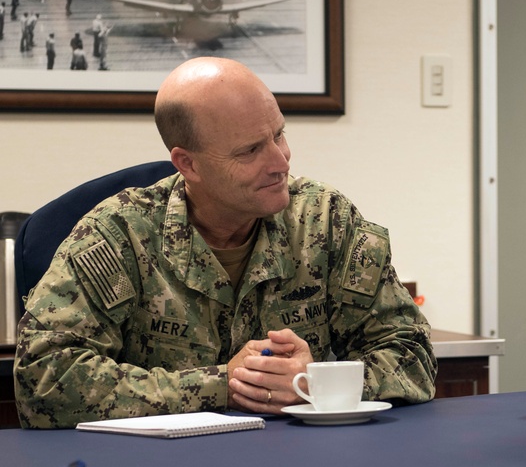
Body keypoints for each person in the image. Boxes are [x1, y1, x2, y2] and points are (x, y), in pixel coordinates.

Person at [15, 57, 437, 428]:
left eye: (279, 135)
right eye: (251, 150)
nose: (280, 162)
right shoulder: (118, 236)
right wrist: (224, 385)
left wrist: (316, 381)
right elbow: (45, 379)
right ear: (189, 164)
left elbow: (412, 354)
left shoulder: (325, 222)